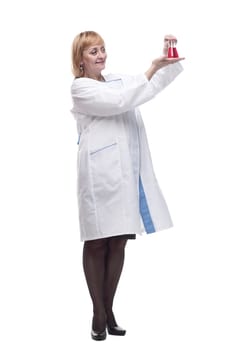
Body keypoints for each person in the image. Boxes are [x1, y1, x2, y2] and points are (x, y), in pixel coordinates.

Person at [70, 30, 184, 341]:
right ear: (80, 59)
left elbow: (148, 88)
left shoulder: (118, 79)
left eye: (103, 49)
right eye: (93, 52)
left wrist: (165, 63)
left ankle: (110, 309)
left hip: (123, 174)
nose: (101, 55)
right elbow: (121, 101)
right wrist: (148, 72)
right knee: (96, 242)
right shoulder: (80, 88)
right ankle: (98, 312)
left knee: (119, 241)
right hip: (98, 177)